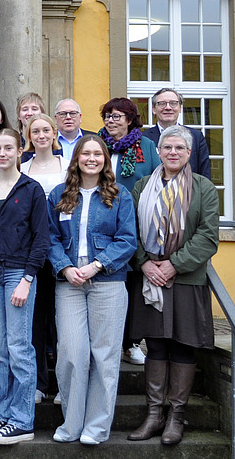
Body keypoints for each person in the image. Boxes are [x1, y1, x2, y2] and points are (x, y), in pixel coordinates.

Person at [128, 125, 219, 445]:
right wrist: (144, 262)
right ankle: (154, 415)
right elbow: (132, 232)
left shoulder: (203, 188)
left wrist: (173, 265)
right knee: (155, 345)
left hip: (186, 279)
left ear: (189, 152)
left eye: (179, 148)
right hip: (150, 277)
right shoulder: (142, 186)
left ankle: (176, 417)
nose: (172, 153)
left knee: (182, 344)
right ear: (159, 151)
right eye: (167, 148)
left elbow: (208, 237)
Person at [47, 135, 137, 445]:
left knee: (105, 356)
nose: (91, 158)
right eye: (86, 153)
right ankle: (71, 425)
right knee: (72, 353)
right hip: (69, 283)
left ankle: (96, 428)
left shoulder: (119, 195)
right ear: (76, 159)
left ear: (105, 160)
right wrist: (66, 268)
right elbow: (49, 238)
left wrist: (97, 265)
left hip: (107, 282)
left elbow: (127, 240)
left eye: (97, 154)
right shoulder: (60, 195)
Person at [0, 128, 49, 445]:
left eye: (8, 148)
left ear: (20, 151)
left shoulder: (32, 190)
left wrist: (28, 279)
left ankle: (22, 419)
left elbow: (41, 239)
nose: (2, 153)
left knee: (19, 349)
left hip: (18, 275)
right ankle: (2, 415)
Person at [99, 97, 162, 365]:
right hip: (100, 223)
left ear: (129, 120)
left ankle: (131, 343)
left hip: (133, 224)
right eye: (107, 116)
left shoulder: (145, 147)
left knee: (132, 286)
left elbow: (156, 184)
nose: (111, 121)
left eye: (117, 116)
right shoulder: (97, 144)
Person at [19, 115, 68, 405]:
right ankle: (38, 383)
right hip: (32, 251)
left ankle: (64, 383)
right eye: (35, 131)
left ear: (54, 134)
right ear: (29, 135)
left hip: (62, 249)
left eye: (45, 130)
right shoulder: (23, 167)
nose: (40, 135)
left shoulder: (66, 167)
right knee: (35, 322)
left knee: (62, 323)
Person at [142, 88, 212, 180]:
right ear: (154, 109)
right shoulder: (143, 138)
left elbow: (204, 173)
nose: (168, 107)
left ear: (180, 108)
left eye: (173, 103)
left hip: (189, 192)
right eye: (162, 103)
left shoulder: (196, 137)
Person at [53, 99, 93, 163]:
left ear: (80, 117)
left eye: (73, 113)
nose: (68, 117)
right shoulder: (48, 140)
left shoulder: (94, 139)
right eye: (63, 114)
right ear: (56, 118)